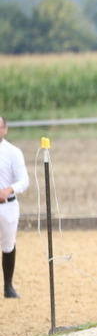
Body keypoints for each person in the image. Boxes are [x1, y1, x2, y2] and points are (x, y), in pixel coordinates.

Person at [0, 115, 29, 299]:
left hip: (7, 205)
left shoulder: (13, 152)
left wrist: (9, 189)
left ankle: (8, 285)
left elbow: (24, 180)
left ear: (5, 129)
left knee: (8, 244)